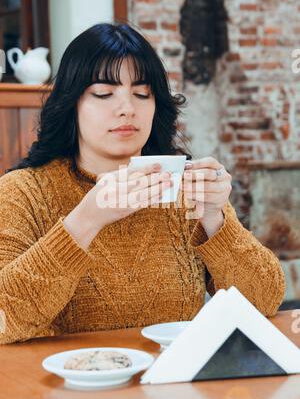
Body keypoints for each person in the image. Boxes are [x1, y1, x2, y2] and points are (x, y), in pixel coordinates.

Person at [0, 23, 285, 345]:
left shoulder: (183, 187)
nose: (127, 109)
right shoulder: (22, 192)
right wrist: (86, 221)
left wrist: (216, 222)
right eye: (104, 94)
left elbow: (265, 300)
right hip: (60, 390)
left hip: (174, 382)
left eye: (141, 94)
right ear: (71, 105)